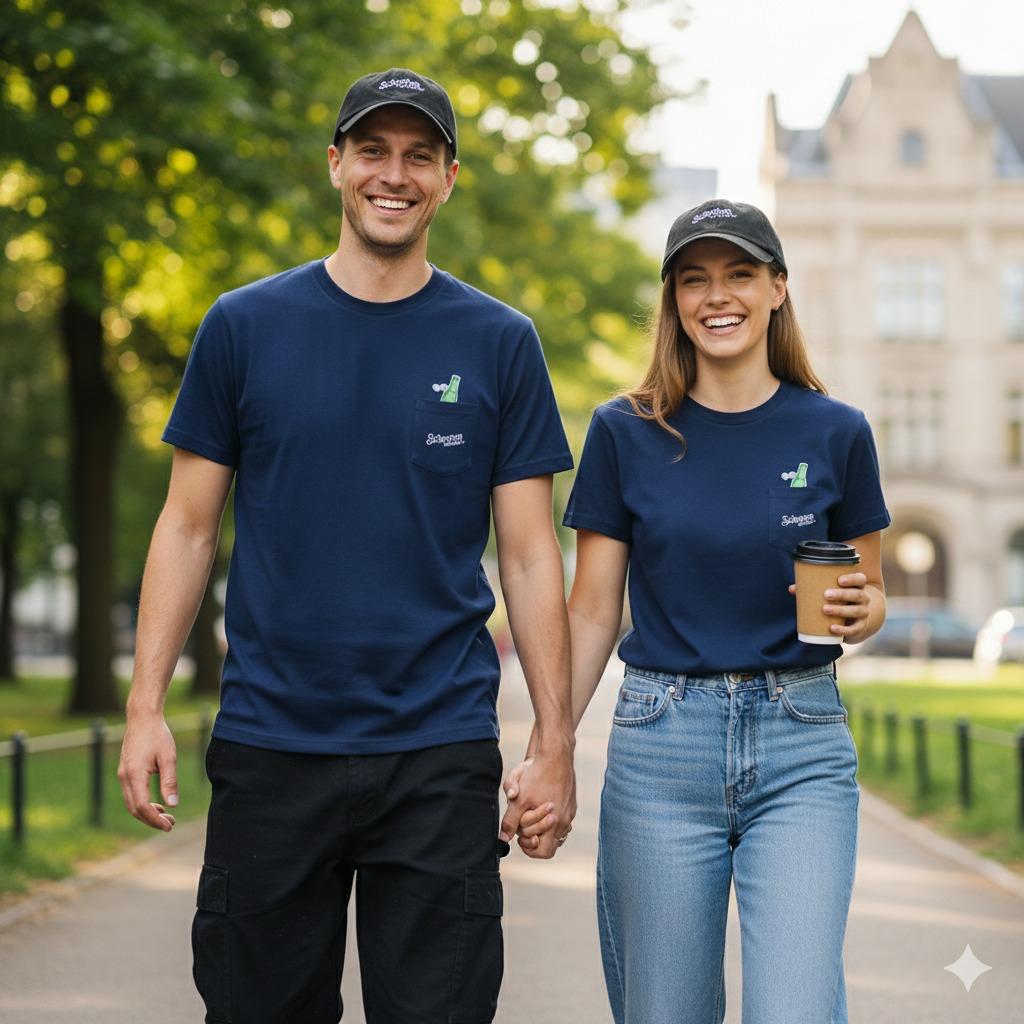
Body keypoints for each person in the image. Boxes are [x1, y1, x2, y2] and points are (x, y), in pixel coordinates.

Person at [117, 68, 577, 1024]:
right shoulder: (243, 327)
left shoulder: (500, 341)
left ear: (451, 178)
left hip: (439, 752)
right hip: (272, 743)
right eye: (373, 150)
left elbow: (532, 556)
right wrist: (144, 705)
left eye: (419, 155)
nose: (393, 174)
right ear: (336, 165)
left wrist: (555, 741)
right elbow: (188, 524)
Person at [512, 199, 890, 1022]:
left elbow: (870, 589)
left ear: (778, 289)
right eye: (695, 279)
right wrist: (551, 748)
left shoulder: (837, 432)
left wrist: (864, 612)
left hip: (802, 744)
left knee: (793, 1008)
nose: (718, 296)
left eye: (740, 275)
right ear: (675, 302)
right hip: (661, 749)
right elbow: (590, 614)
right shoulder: (624, 432)